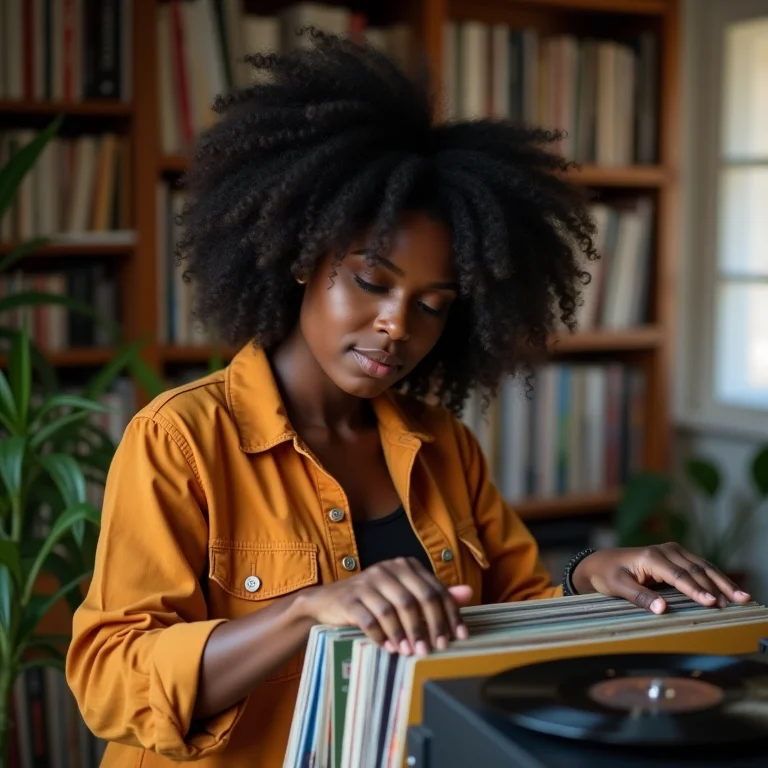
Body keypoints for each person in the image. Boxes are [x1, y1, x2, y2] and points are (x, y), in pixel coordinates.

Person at [65, 30, 750, 768]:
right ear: (304, 257)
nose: (397, 325)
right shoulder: (181, 439)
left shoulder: (442, 444)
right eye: (370, 281)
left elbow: (509, 617)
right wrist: (304, 611)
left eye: (433, 304)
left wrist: (592, 574)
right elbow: (109, 679)